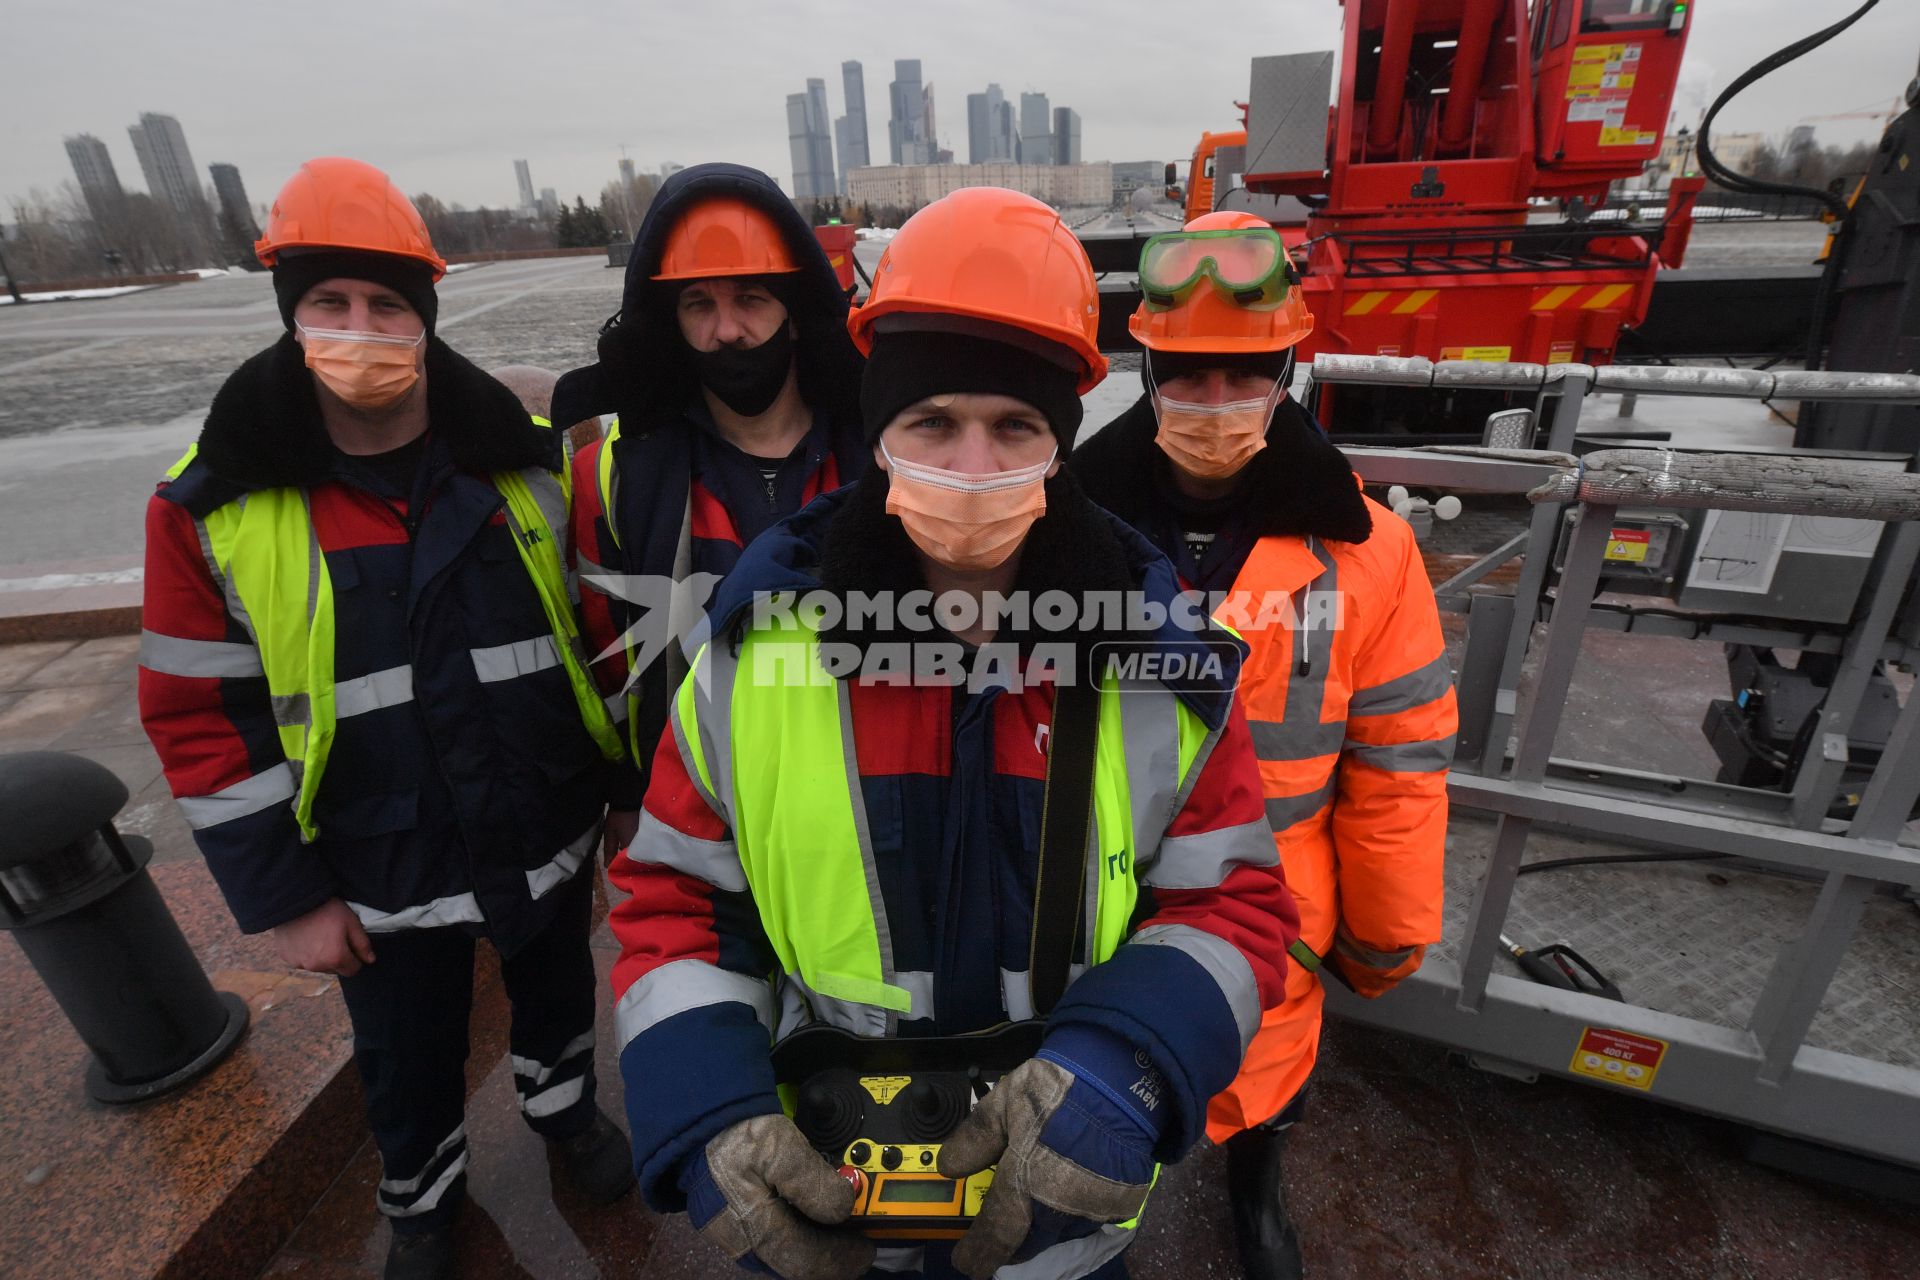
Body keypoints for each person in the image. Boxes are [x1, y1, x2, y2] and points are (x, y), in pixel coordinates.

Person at [605, 187, 1300, 1280]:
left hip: (1060, 1212)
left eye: (1014, 426)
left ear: (1061, 443)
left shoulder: (1158, 659)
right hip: (820, 1201)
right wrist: (707, 1108)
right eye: (933, 423)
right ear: (877, 432)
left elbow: (1233, 900)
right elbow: (675, 902)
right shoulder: (751, 651)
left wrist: (1129, 1073)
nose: (972, 466)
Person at [137, 157, 635, 1280]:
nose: (361, 327)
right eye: (330, 303)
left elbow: (598, 636)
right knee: (405, 1055)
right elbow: (200, 721)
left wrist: (624, 798)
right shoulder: (212, 506)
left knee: (559, 997)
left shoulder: (524, 459)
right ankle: (421, 1197)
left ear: (425, 316)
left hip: (538, 819)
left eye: (387, 306)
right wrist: (286, 898)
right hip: (373, 860)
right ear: (291, 315)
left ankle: (566, 1115)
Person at [1071, 210, 1456, 1280]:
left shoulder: (1372, 553)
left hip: (1276, 913)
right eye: (1186, 373)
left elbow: (1400, 763)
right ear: (1145, 367)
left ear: (1288, 364)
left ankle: (1257, 1186)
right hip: (1103, 903)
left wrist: (1384, 932)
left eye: (1241, 373)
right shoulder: (1066, 532)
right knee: (1098, 1096)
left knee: (1266, 1077)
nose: (1211, 401)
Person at [552, 163, 869, 861]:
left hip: (867, 809)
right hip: (698, 822)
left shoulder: (879, 453)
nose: (727, 331)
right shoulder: (613, 475)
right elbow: (611, 666)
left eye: (751, 298)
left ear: (795, 310)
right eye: (699, 304)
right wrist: (631, 793)